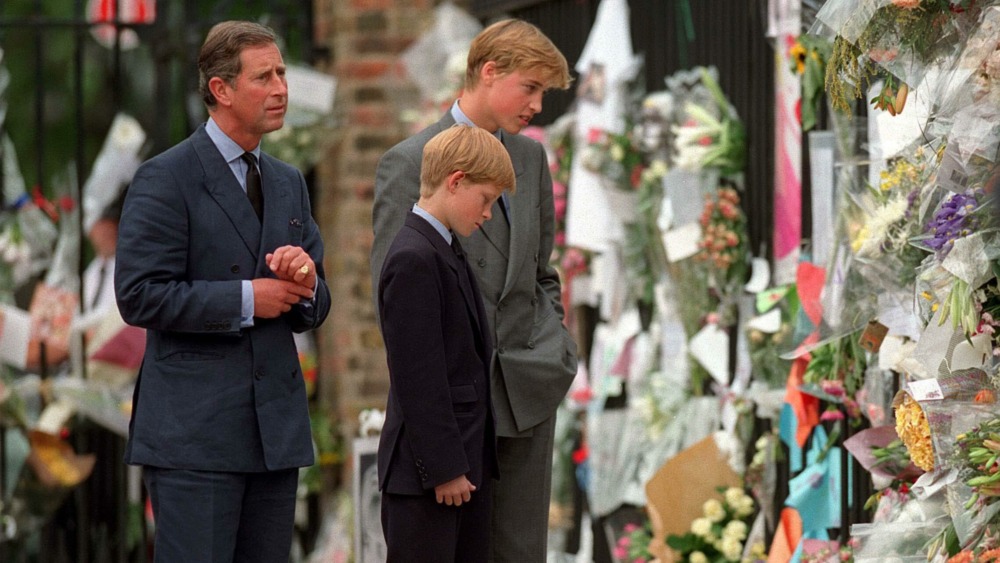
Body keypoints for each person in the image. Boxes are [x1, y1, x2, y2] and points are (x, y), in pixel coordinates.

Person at [114, 20, 330, 562]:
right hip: (195, 439)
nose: (282, 87)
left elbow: (316, 302)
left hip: (273, 435)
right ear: (221, 90)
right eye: (265, 76)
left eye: (282, 72)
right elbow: (139, 294)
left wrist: (306, 281)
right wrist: (245, 299)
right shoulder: (165, 178)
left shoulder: (288, 181)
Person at [371, 19, 578, 561]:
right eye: (529, 88)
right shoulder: (411, 162)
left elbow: (540, 272)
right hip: (457, 410)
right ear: (489, 73)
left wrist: (553, 347)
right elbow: (395, 298)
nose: (537, 105)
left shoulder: (531, 158)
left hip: (527, 392)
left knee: (520, 552)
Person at [377, 124, 514, 562]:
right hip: (430, 479)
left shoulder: (441, 247)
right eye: (486, 199)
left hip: (457, 471)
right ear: (455, 181)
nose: (489, 213)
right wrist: (445, 467)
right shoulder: (414, 257)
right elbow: (419, 377)